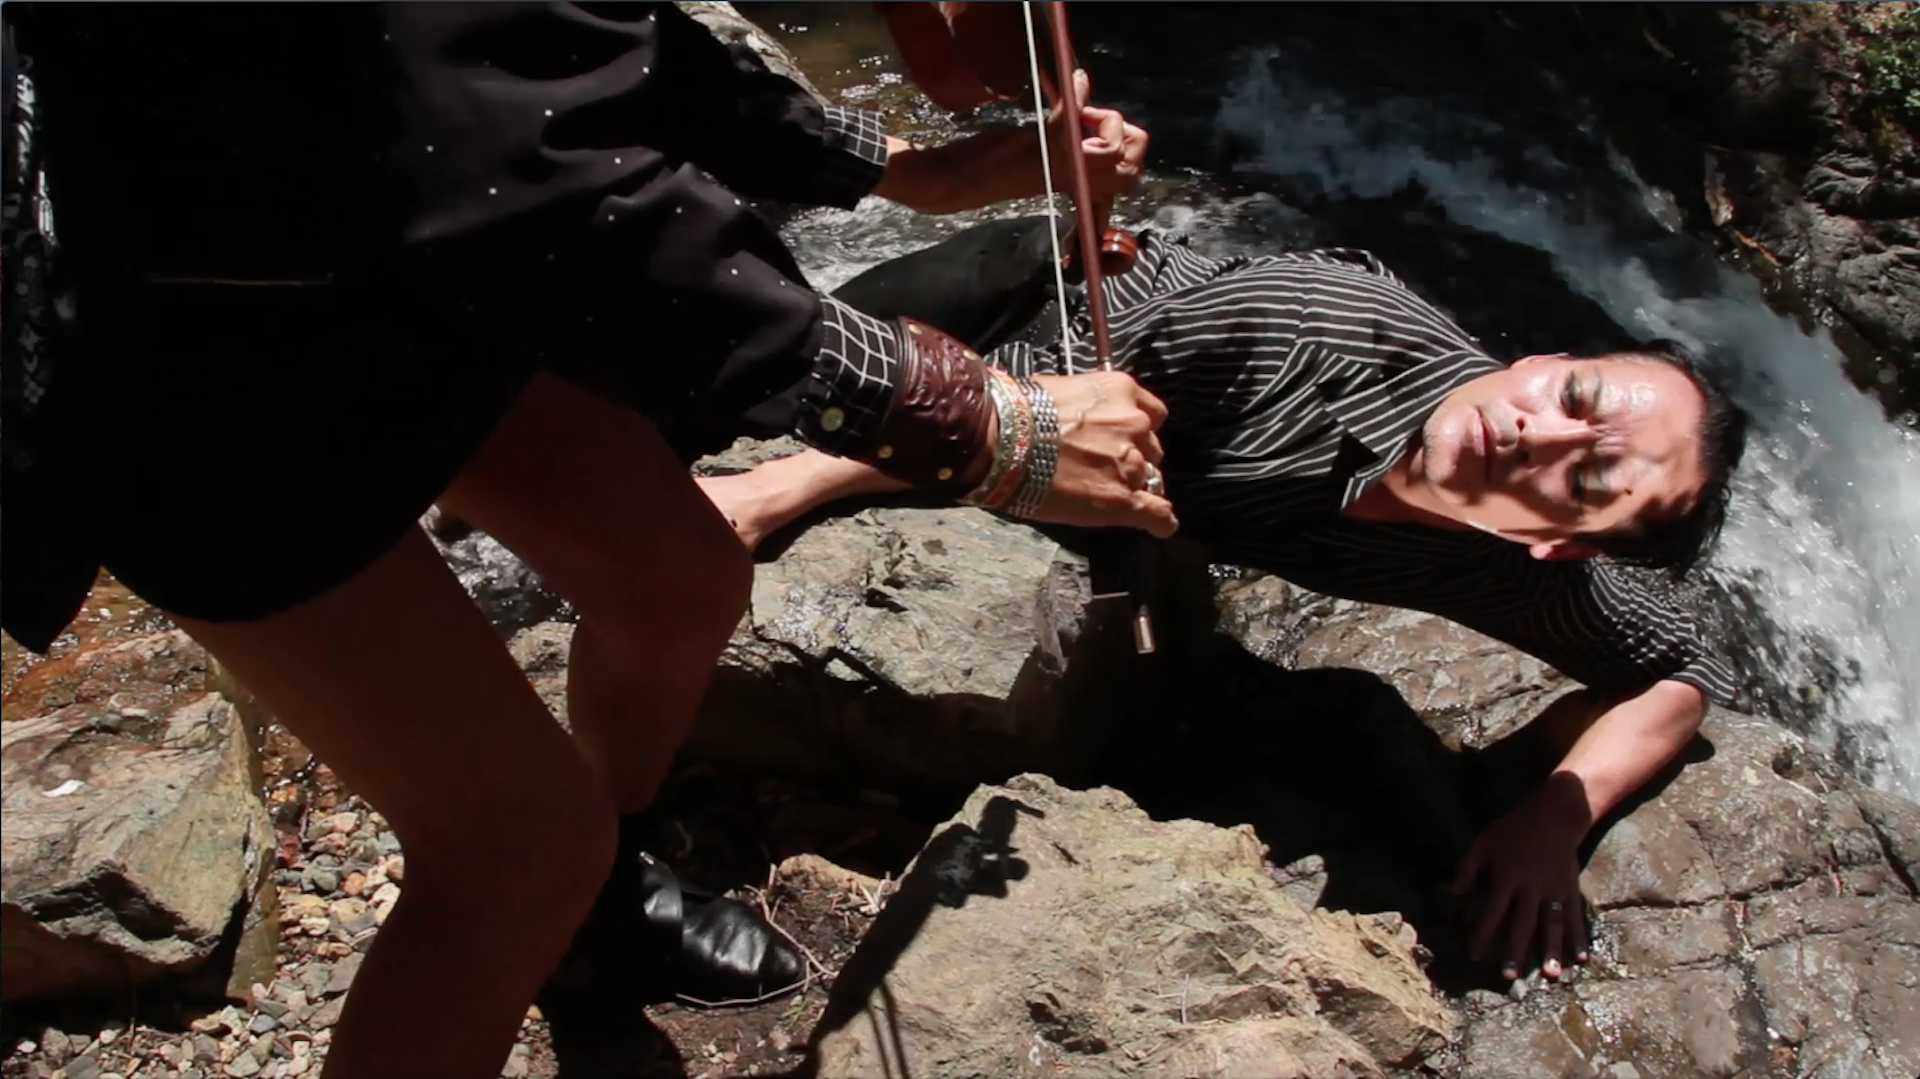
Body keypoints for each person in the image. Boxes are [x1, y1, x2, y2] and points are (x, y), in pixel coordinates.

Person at [1, 6, 1171, 1078]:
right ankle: (549, 886)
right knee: (516, 850)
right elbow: (502, 156)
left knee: (678, 584)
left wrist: (905, 166)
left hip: (392, 268)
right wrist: (967, 415)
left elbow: (577, 44)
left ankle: (592, 913)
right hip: (181, 347)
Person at [696, 217, 1751, 986]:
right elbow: (994, 413)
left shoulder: (1516, 564)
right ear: (1547, 361)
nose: (1538, 435)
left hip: (1157, 468)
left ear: (1561, 540)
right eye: (1574, 400)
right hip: (1030, 313)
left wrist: (1552, 819)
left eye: (1588, 478)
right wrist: (790, 482)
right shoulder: (1303, 328)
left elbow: (1681, 663)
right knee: (726, 377)